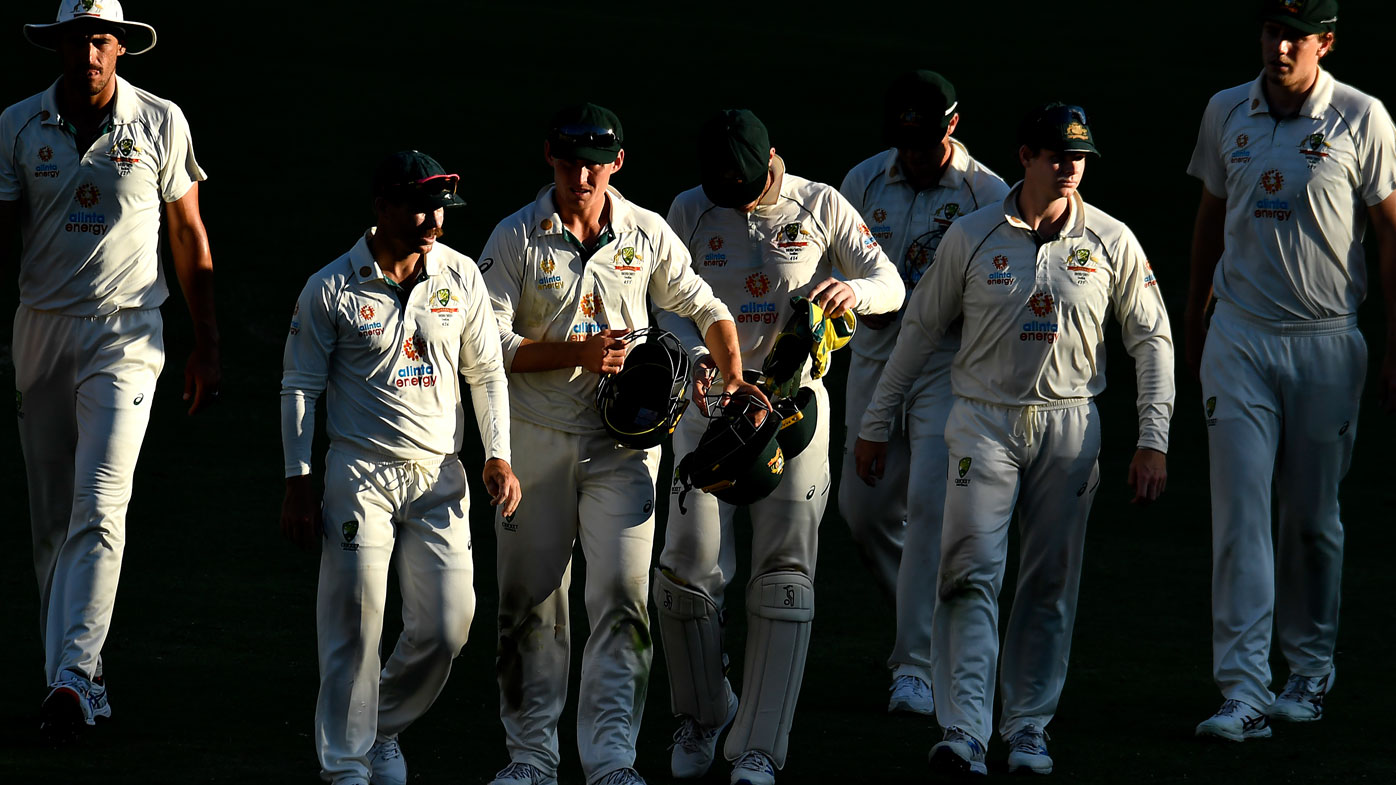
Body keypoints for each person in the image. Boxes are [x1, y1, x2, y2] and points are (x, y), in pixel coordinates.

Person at [856, 103, 1173, 776]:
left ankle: (1028, 725)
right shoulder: (971, 235)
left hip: (1070, 424)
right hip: (981, 420)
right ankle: (965, 728)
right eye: (1056, 154)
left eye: (1079, 156)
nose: (1069, 167)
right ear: (1025, 155)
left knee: (1049, 579)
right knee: (967, 572)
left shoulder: (1112, 240)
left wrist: (1154, 438)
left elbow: (1152, 339)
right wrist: (876, 422)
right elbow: (917, 331)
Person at [478, 103, 758, 785]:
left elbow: (706, 307)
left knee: (622, 599)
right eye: (571, 160)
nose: (583, 174)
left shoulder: (646, 233)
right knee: (533, 601)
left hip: (624, 450)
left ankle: (611, 759)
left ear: (617, 164)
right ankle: (532, 760)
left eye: (596, 163)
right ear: (549, 155)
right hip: (536, 441)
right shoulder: (517, 237)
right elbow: (487, 346)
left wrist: (734, 376)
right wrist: (578, 352)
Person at [655, 109, 904, 785]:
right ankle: (704, 713)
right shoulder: (690, 208)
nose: (730, 197)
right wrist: (692, 352)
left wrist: (852, 286)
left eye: (745, 184)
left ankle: (760, 746)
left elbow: (893, 285)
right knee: (684, 570)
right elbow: (664, 297)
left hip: (793, 407)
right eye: (719, 186)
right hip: (710, 403)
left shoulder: (820, 203)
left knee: (785, 573)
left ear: (774, 161)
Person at [0, 0, 220, 741]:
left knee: (101, 501)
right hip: (42, 328)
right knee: (51, 520)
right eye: (76, 40)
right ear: (57, 46)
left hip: (128, 334)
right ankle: (75, 674)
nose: (89, 53)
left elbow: (188, 232)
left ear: (122, 46)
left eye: (102, 40)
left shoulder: (161, 120)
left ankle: (71, 675)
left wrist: (206, 342)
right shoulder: (16, 126)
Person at [1185, 0, 1396, 742]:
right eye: (1272, 30)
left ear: (1325, 43)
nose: (1280, 46)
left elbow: (1390, 233)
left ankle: (1309, 666)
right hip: (1238, 337)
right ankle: (1243, 691)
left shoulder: (1363, 118)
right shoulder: (1225, 111)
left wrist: (1395, 346)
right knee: (1241, 516)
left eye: (1296, 36)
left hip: (1327, 341)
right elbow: (1210, 218)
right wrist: (1194, 324)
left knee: (1310, 518)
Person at [280, 150, 521, 785]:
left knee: (447, 627)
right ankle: (346, 767)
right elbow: (300, 385)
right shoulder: (332, 285)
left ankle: (381, 725)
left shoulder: (461, 277)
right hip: (360, 475)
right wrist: (298, 481)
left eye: (440, 205)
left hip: (442, 476)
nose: (434, 218)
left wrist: (497, 454)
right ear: (381, 207)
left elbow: (487, 371)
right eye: (419, 205)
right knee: (355, 626)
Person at [838, 69, 1009, 717]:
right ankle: (936, 617)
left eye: (923, 142)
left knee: (931, 505)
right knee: (863, 509)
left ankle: (913, 664)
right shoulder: (863, 181)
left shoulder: (985, 192)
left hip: (946, 364)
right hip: (875, 359)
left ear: (953, 125)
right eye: (902, 141)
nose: (910, 155)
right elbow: (844, 268)